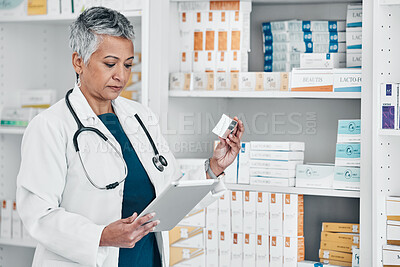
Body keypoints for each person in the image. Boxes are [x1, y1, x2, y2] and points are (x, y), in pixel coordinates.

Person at [16, 6, 244, 267]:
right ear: (79, 61)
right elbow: (39, 216)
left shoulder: (140, 117)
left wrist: (213, 168)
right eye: (110, 64)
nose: (121, 76)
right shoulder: (50, 126)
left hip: (146, 259)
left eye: (128, 65)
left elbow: (169, 194)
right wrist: (100, 236)